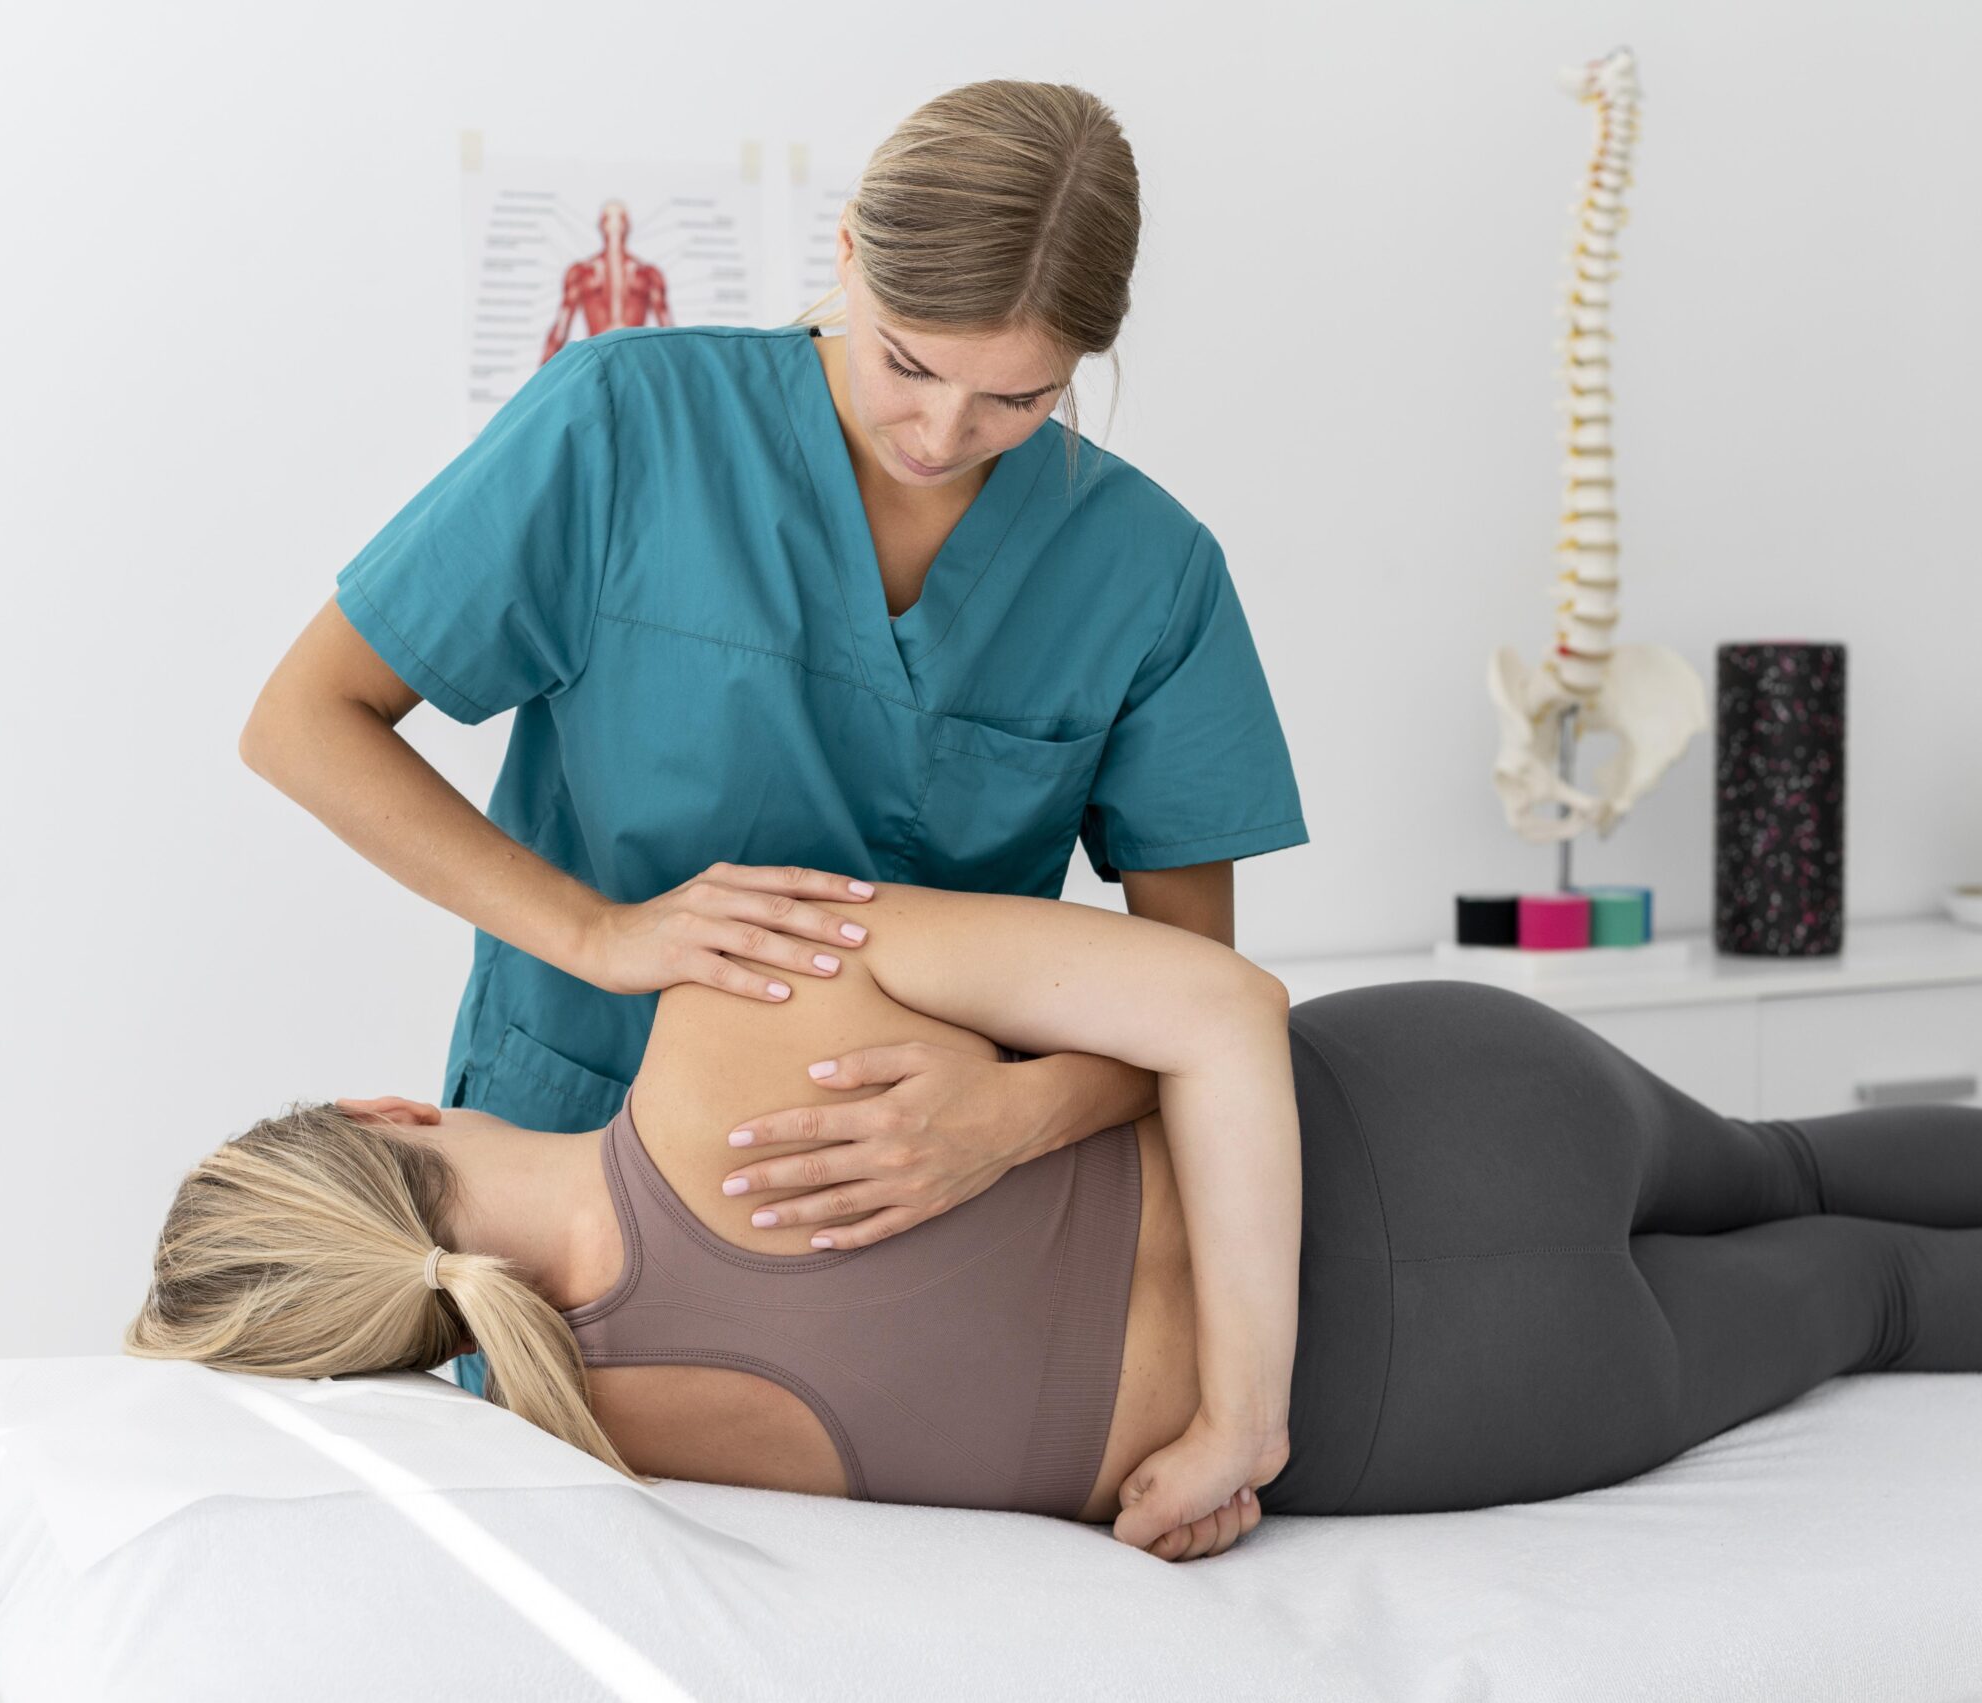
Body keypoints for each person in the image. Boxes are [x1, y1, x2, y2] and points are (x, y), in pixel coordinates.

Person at [126, 882, 1982, 1562]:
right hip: (1439, 1115)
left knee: (1876, 1296)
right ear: (387, 1110)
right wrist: (1022, 1123)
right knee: (1816, 1163)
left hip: (1456, 1409)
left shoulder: (624, 1452)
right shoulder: (737, 993)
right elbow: (1215, 1007)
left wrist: (1239, 1422)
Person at [236, 80, 1307, 1401]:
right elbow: (305, 722)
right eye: (907, 363)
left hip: (913, 1223)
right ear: (848, 251)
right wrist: (596, 934)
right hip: (564, 1155)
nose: (943, 434)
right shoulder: (624, 425)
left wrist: (1021, 1113)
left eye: (1019, 397)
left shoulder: (1148, 571)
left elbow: (1200, 992)